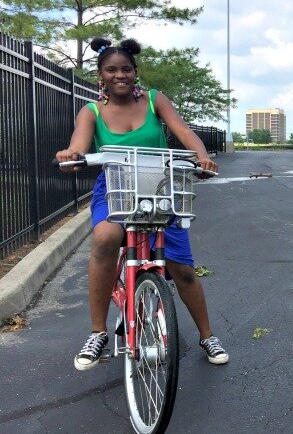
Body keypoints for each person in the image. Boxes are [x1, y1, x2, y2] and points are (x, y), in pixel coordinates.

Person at [56, 37, 229, 369]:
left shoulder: (154, 100)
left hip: (160, 185)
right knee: (106, 238)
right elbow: (78, 142)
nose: (119, 75)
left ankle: (207, 335)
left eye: (126, 69)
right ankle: (97, 332)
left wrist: (202, 157)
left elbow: (184, 132)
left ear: (135, 73)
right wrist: (72, 154)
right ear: (100, 75)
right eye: (111, 70)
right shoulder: (91, 111)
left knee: (181, 267)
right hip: (116, 186)